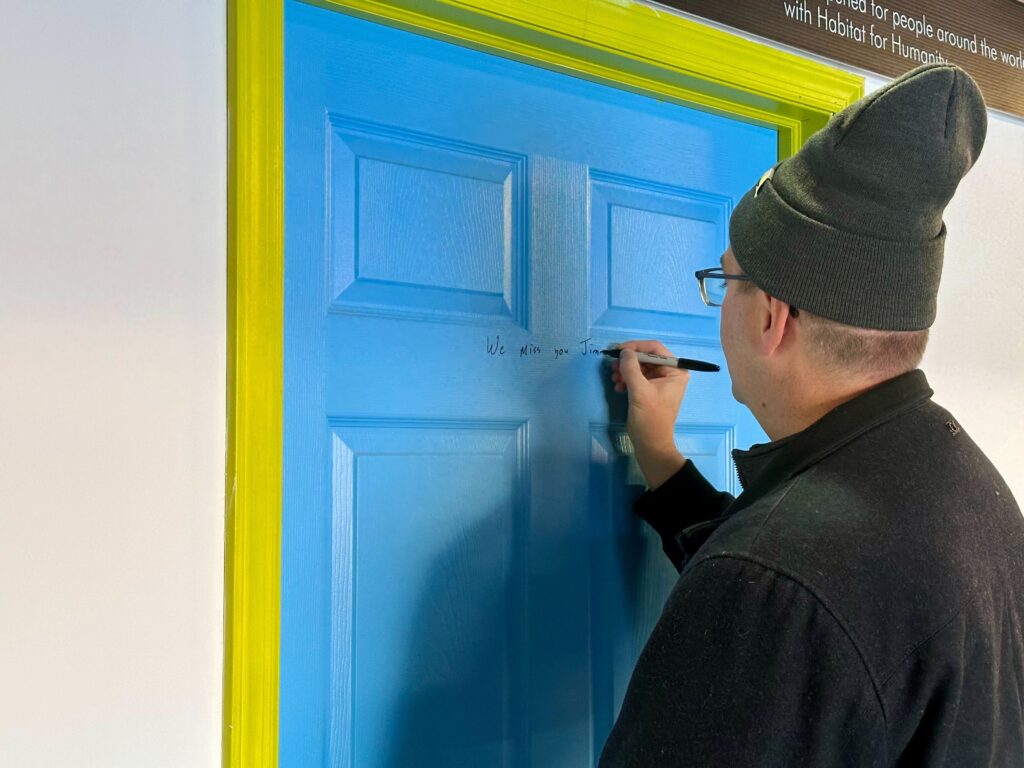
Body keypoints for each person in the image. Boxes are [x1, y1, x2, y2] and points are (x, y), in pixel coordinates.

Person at [598, 62, 1024, 767]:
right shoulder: (979, 498)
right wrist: (662, 459)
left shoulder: (773, 582)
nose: (720, 304)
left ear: (772, 316)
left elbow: (786, 601)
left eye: (726, 281)